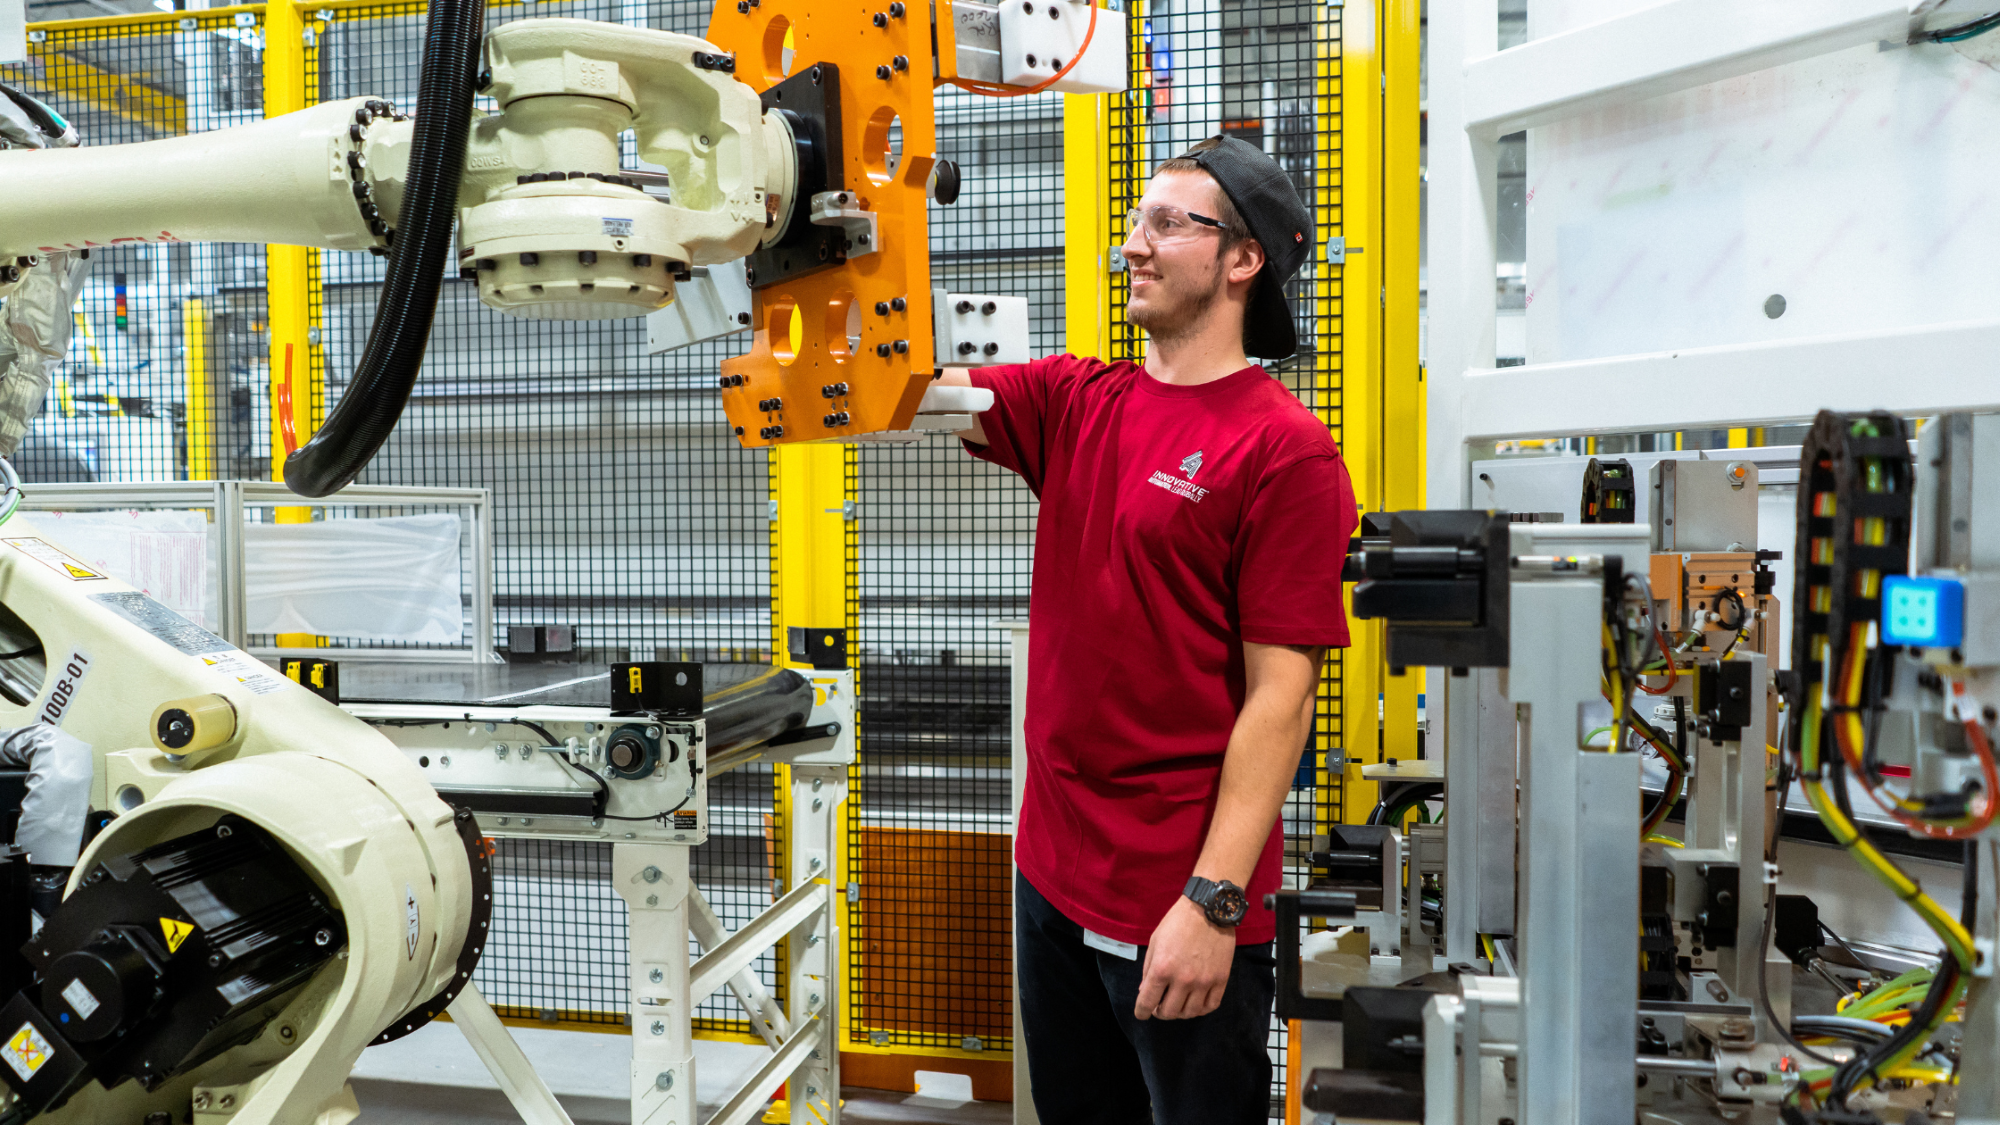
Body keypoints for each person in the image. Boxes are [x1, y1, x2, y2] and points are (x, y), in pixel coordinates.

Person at [937, 135, 1359, 1124]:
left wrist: (1212, 907)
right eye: (1137, 221)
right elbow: (903, 382)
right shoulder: (1078, 401)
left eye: (1168, 224)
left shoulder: (1285, 452)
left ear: (1241, 259)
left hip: (1177, 900)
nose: (1136, 244)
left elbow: (1281, 695)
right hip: (1049, 876)